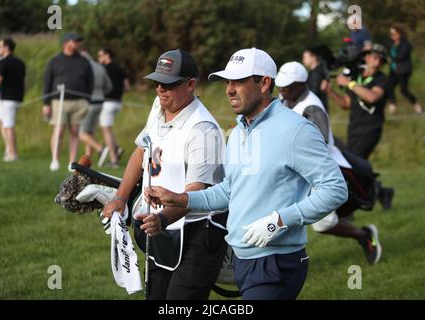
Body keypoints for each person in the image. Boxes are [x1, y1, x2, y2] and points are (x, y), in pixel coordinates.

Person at [143, 48, 348, 300]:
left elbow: (335, 188)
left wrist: (280, 220)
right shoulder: (239, 130)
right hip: (243, 260)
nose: (229, 89)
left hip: (276, 261)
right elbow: (230, 190)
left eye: (239, 81)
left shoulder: (296, 130)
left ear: (264, 83)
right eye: (228, 81)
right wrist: (182, 199)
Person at [103, 49, 227, 300]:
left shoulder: (203, 129)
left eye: (169, 84)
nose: (160, 89)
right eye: (157, 82)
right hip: (161, 225)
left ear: (191, 84)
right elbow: (141, 152)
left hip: (198, 230)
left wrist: (163, 219)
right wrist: (120, 198)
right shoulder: (158, 106)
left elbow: (197, 191)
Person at [276, 61, 383, 264]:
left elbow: (319, 146)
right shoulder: (286, 98)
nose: (281, 89)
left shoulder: (312, 108)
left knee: (323, 224)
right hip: (293, 169)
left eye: (287, 85)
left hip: (318, 170)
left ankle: (364, 235)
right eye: (280, 85)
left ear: (301, 84)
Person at [328, 43, 389, 160]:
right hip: (354, 128)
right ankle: (370, 179)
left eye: (381, 61)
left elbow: (372, 97)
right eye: (375, 58)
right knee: (353, 165)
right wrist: (330, 91)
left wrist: (349, 83)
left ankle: (370, 178)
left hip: (370, 129)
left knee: (355, 163)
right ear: (367, 57)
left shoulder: (381, 79)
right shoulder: (357, 77)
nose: (377, 63)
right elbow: (346, 103)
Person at [43, 32, 94, 172]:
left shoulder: (84, 61)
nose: (77, 44)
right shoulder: (55, 61)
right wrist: (46, 103)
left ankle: (72, 162)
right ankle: (55, 160)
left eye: (78, 41)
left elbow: (90, 81)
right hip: (59, 101)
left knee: (75, 131)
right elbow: (47, 82)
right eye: (74, 41)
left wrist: (87, 99)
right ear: (66, 43)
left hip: (79, 102)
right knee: (58, 131)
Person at [0, 38, 25, 162]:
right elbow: (23, 82)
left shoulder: (2, 62)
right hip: (15, 98)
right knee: (1, 122)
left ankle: (13, 155)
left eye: (0, 46)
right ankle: (9, 150)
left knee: (9, 126)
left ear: (6, 47)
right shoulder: (20, 62)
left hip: (8, 98)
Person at [96, 47, 129, 168]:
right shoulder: (120, 68)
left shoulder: (103, 69)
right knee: (108, 130)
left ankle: (114, 160)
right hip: (118, 103)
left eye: (100, 56)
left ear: (107, 55)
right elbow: (126, 87)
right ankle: (116, 149)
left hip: (107, 103)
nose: (99, 59)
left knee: (106, 130)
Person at [78, 50, 113, 158]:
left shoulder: (83, 68)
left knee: (81, 133)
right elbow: (109, 87)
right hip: (100, 102)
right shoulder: (100, 67)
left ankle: (101, 149)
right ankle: (87, 159)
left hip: (89, 102)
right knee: (90, 132)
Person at [387, 24, 423, 115]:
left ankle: (417, 106)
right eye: (391, 34)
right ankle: (392, 105)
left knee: (404, 90)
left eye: (394, 34)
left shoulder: (405, 44)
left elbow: (401, 56)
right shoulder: (391, 44)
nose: (393, 36)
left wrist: (391, 59)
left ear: (399, 34)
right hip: (394, 70)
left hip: (403, 71)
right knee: (389, 86)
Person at [302, 47, 330, 113]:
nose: (303, 60)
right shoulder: (316, 71)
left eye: (305, 57)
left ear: (314, 57)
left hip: (316, 109)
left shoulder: (316, 73)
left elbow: (313, 92)